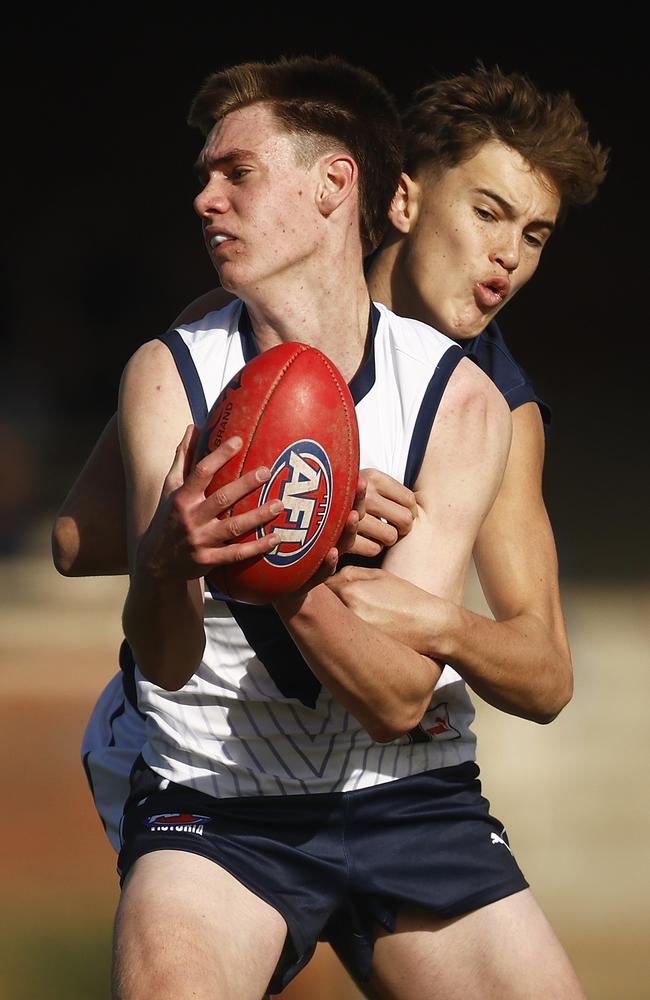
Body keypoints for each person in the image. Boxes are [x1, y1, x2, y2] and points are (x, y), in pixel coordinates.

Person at [52, 60, 607, 998]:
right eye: (486, 212)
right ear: (396, 199)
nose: (507, 257)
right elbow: (78, 541)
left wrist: (377, 580)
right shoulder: (206, 350)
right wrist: (264, 516)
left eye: (536, 235)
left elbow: (533, 673)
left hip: (402, 780)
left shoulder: (481, 405)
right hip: (215, 778)